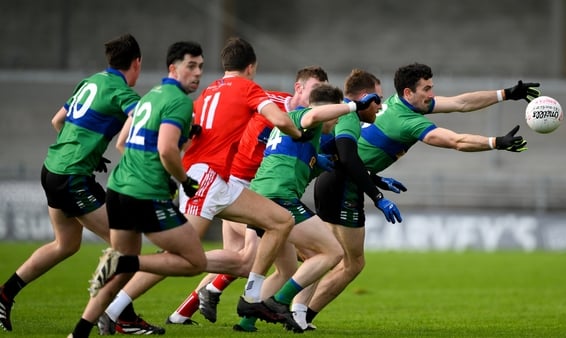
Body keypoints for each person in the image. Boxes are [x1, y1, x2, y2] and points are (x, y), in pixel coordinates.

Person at [93, 36, 317, 335]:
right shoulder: (248, 88)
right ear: (251, 67)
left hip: (219, 180)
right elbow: (281, 121)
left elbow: (187, 131)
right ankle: (115, 301)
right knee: (180, 257)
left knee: (280, 221)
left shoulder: (210, 90)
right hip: (206, 179)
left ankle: (252, 297)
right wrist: (299, 133)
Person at [295, 63, 540, 329]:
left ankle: (295, 312)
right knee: (350, 263)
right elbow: (455, 141)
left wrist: (505, 94)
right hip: (346, 185)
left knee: (328, 255)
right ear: (409, 92)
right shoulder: (407, 121)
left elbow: (460, 102)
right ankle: (301, 314)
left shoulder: (399, 104)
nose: (432, 93)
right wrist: (495, 142)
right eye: (427, 88)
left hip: (340, 180)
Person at [165, 66, 329, 326]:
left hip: (250, 190)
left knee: (271, 265)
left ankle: (185, 312)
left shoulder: (309, 117)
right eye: (314, 89)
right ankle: (183, 266)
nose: (317, 95)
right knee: (250, 258)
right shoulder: (269, 103)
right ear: (299, 88)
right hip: (241, 187)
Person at [0, 33, 142, 333]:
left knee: (66, 244)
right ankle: (120, 316)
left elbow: (57, 120)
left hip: (53, 169)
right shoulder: (122, 92)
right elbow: (142, 125)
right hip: (73, 178)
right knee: (124, 246)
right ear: (136, 63)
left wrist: (84, 151)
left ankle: (4, 294)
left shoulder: (91, 81)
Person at [68, 40, 206, 338]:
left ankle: (78, 333)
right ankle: (125, 261)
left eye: (200, 67)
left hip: (118, 189)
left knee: (119, 275)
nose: (197, 73)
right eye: (191, 66)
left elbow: (122, 142)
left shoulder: (150, 95)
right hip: (144, 194)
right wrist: (183, 181)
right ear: (173, 68)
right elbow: (167, 150)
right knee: (197, 261)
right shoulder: (180, 102)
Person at [233, 84, 381, 333]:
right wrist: (354, 106)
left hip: (260, 196)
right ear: (330, 112)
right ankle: (278, 303)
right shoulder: (304, 116)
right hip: (279, 198)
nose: (334, 126)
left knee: (286, 270)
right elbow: (313, 116)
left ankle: (247, 320)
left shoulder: (301, 132)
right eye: (335, 119)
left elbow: (312, 158)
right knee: (332, 253)